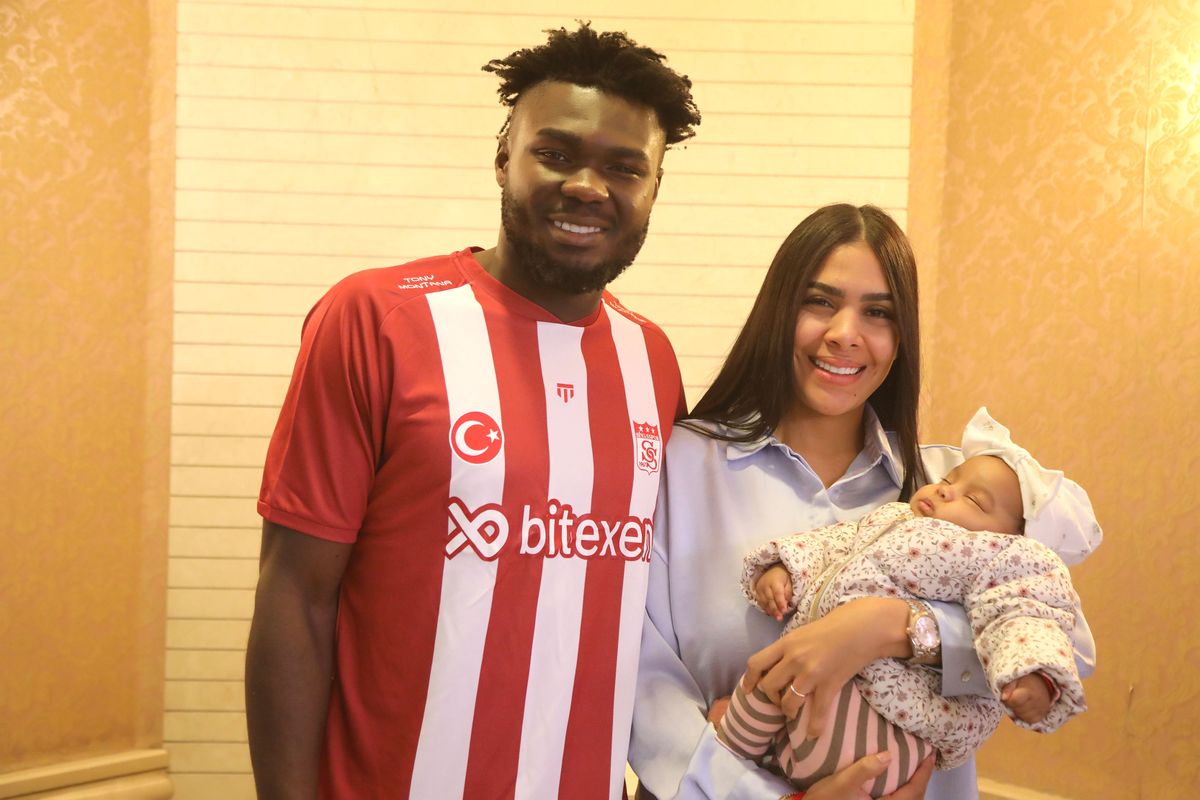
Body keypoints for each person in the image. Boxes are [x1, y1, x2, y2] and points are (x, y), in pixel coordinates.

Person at [244, 23, 702, 800]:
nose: (588, 186)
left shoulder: (651, 359)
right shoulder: (376, 319)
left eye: (625, 168)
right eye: (555, 152)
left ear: (654, 189)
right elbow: (295, 597)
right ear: (503, 157)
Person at [628, 204, 1099, 800]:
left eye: (878, 312)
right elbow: (642, 683)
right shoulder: (677, 466)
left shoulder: (949, 489)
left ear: (901, 339)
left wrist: (894, 627)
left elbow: (1066, 643)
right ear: (778, 311)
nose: (845, 333)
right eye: (819, 301)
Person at [719, 407, 1100, 796]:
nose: (945, 489)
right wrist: (784, 568)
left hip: (888, 707)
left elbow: (1025, 613)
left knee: (849, 751)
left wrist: (1033, 672)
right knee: (760, 685)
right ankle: (732, 749)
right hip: (802, 673)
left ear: (1016, 536)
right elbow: (833, 542)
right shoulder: (891, 518)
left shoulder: (1001, 557)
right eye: (949, 479)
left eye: (975, 500)